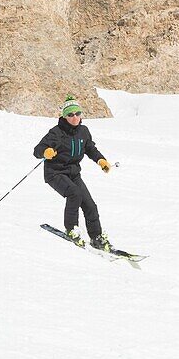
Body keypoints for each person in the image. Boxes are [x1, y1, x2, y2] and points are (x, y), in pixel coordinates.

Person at [32, 95, 113, 250]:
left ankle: (96, 238)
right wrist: (45, 152)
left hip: (73, 174)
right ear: (64, 116)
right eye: (70, 114)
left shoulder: (83, 131)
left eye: (77, 113)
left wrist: (101, 161)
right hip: (55, 173)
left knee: (90, 205)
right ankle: (71, 230)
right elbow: (37, 150)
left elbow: (90, 149)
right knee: (74, 194)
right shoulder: (56, 132)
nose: (75, 117)